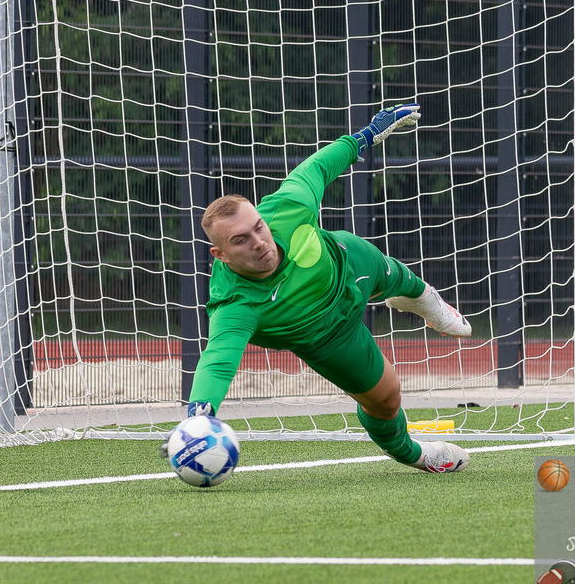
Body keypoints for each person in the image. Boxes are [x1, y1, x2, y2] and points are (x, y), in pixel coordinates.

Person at [185, 104, 472, 473]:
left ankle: (423, 300)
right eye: (241, 240)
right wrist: (199, 415)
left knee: (398, 277)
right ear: (220, 254)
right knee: (386, 400)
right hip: (328, 337)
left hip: (349, 264)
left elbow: (319, 165)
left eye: (259, 226)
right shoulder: (235, 304)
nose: (259, 241)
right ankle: (412, 453)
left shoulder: (288, 206)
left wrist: (368, 134)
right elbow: (218, 361)